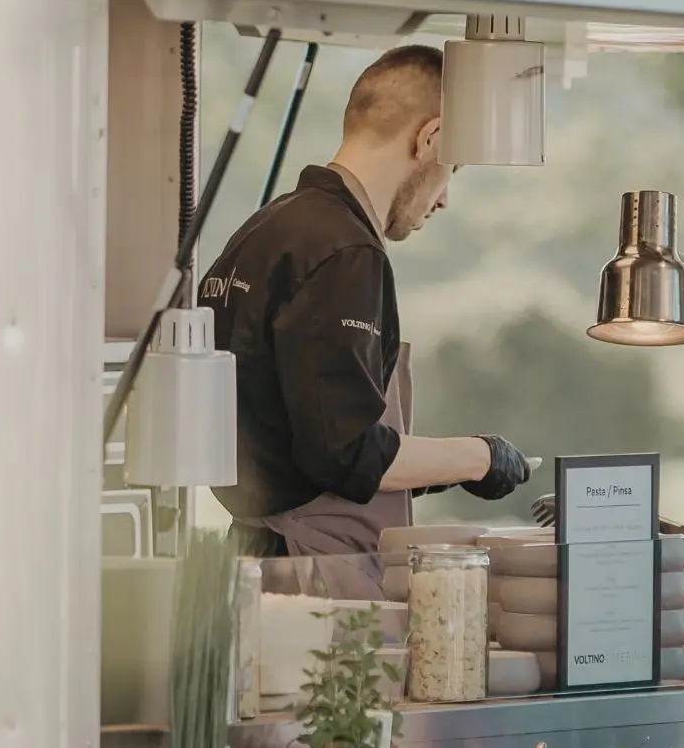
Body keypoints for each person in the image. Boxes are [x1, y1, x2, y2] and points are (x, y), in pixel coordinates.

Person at [203, 43, 531, 567]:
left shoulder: (269, 228)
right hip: (310, 569)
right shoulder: (346, 252)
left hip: (250, 556)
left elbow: (300, 432)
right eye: (455, 167)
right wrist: (480, 457)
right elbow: (346, 451)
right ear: (432, 138)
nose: (445, 198)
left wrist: (440, 470)